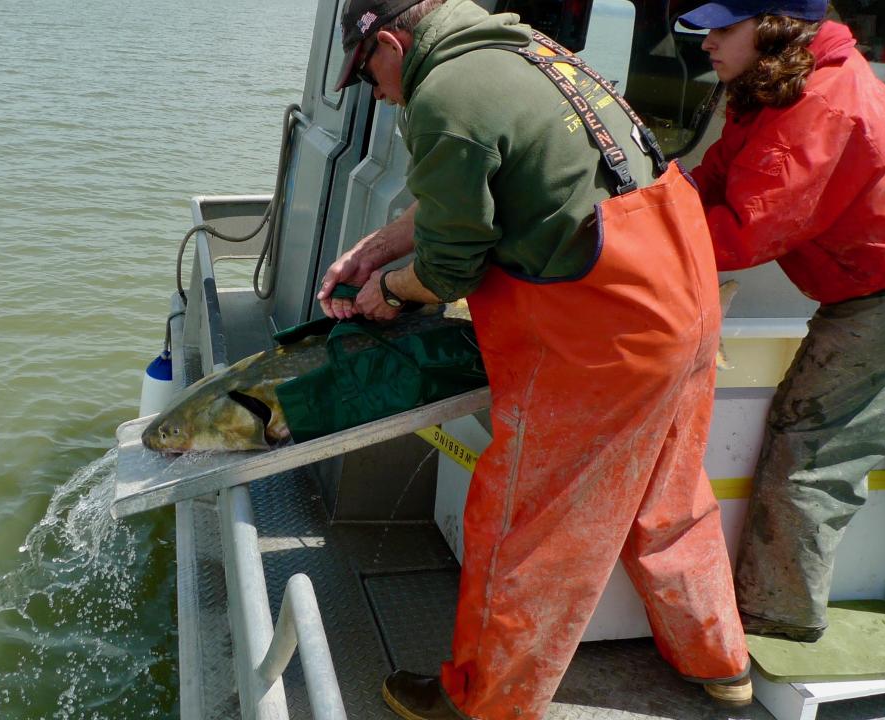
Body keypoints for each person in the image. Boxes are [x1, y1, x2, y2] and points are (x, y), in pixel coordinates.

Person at [319, 0, 751, 717]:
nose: (380, 92)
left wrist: (387, 291)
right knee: (670, 497)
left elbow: (452, 269)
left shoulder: (444, 94)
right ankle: (720, 662)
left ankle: (483, 699)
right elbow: (490, 174)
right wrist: (380, 247)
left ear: (390, 42)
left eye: (370, 75)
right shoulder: (526, 51)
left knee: (527, 528)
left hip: (603, 337)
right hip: (685, 300)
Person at [679, 0, 885, 642]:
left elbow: (746, 234)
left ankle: (778, 611)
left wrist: (629, 241)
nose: (706, 43)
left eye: (724, 29)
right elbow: (724, 171)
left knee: (812, 441)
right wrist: (666, 196)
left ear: (773, 29)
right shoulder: (775, 84)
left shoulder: (816, 106)